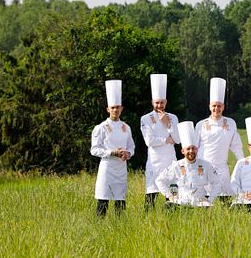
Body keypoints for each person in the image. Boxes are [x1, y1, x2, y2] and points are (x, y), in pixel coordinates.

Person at [91, 80, 135, 217]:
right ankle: (100, 226)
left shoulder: (126, 127)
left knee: (120, 201)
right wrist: (112, 152)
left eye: (118, 107)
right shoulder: (101, 128)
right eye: (113, 107)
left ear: (121, 109)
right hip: (107, 168)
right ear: (108, 109)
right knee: (103, 200)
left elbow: (131, 146)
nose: (115, 110)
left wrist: (128, 154)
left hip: (121, 168)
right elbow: (94, 149)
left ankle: (120, 228)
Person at [196, 77, 244, 200]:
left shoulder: (230, 123)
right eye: (214, 105)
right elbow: (194, 147)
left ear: (223, 107)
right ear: (209, 107)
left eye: (219, 106)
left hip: (222, 168)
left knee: (226, 199)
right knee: (204, 201)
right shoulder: (201, 124)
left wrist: (243, 163)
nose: (216, 108)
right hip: (204, 167)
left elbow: (237, 146)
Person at [155, 121, 221, 208]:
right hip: (182, 200)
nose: (191, 151)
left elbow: (217, 183)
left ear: (197, 150)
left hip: (200, 201)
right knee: (168, 206)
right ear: (183, 151)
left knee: (209, 209)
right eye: (188, 149)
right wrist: (169, 195)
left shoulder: (206, 165)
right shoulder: (176, 165)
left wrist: (210, 199)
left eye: (193, 148)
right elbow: (159, 180)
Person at [140, 74, 181, 211]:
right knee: (151, 194)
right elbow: (149, 141)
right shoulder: (145, 118)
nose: (159, 106)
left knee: (173, 194)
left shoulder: (173, 118)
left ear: (166, 102)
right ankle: (147, 221)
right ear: (152, 103)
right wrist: (166, 140)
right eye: (157, 103)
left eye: (162, 102)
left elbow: (178, 139)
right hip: (154, 161)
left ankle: (172, 220)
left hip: (170, 160)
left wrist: (167, 124)